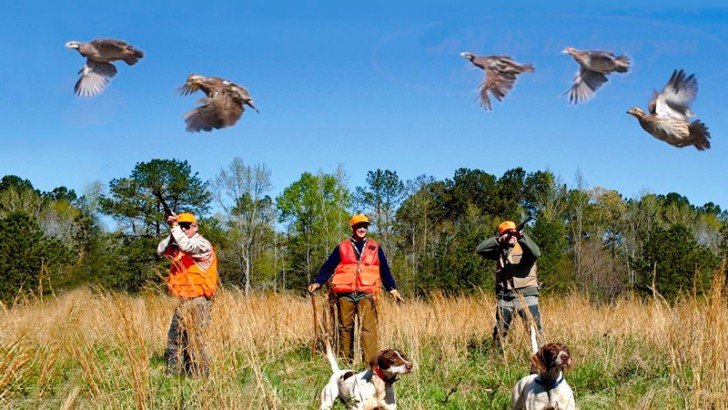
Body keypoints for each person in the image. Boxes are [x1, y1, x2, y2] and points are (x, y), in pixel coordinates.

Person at [308, 214, 403, 363]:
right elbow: (328, 267)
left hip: (366, 293)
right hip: (345, 294)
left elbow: (384, 270)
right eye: (359, 226)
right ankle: (345, 362)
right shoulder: (342, 247)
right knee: (345, 328)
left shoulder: (375, 248)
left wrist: (392, 289)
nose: (362, 229)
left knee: (368, 329)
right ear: (352, 227)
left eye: (364, 226)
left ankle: (371, 365)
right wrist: (318, 283)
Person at [157, 211, 219, 377]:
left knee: (195, 339)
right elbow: (161, 251)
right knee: (175, 338)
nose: (183, 229)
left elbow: (187, 246)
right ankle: (174, 373)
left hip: (198, 300)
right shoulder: (178, 248)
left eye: (186, 226)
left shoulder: (202, 245)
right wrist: (172, 230)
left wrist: (175, 226)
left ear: (195, 227)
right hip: (183, 301)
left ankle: (200, 375)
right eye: (180, 225)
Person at [476, 220, 542, 348]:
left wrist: (521, 237)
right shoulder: (499, 250)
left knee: (534, 330)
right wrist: (499, 240)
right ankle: (498, 358)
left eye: (512, 233)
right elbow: (480, 249)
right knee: (500, 331)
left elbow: (536, 252)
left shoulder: (525, 246)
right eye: (506, 234)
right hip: (505, 296)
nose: (510, 236)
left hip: (527, 295)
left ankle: (541, 360)